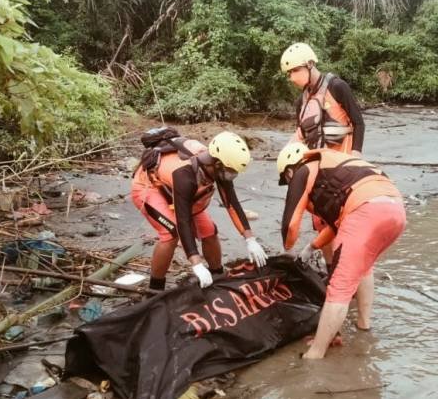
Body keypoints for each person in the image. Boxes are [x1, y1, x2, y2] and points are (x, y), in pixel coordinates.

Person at [276, 142, 406, 359]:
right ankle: (364, 325)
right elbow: (335, 227)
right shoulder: (336, 165)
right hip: (395, 210)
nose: (290, 183)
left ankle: (315, 354)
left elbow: (290, 226)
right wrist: (312, 246)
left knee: (339, 287)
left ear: (290, 169)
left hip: (365, 212)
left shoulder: (303, 170)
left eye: (286, 179)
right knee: (362, 268)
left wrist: (288, 248)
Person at [131, 131, 268, 291]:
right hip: (150, 187)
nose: (232, 176)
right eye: (231, 172)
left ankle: (216, 275)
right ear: (216, 164)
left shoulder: (220, 167)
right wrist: (196, 263)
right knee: (171, 233)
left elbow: (232, 204)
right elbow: (183, 220)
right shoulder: (185, 174)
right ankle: (155, 288)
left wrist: (250, 239)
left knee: (209, 231)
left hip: (184, 192)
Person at [280, 42, 366, 263]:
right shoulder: (302, 100)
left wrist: (356, 153)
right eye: (289, 73)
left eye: (295, 71)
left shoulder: (337, 87)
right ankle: (330, 269)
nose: (292, 77)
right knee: (320, 220)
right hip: (319, 166)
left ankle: (346, 265)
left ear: (310, 65)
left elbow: (358, 122)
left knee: (342, 219)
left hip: (342, 163)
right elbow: (300, 133)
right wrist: (286, 157)